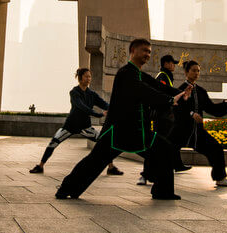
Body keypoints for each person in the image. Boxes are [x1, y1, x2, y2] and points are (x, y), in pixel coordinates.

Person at [56, 38, 192, 201]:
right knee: (94, 161)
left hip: (137, 132)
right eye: (144, 51)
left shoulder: (139, 74)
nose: (147, 54)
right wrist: (170, 100)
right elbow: (144, 91)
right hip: (118, 131)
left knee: (165, 149)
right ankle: (65, 189)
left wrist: (181, 93)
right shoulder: (126, 73)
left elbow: (158, 87)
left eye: (149, 51)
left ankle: (162, 191)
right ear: (133, 51)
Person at [29, 67, 116, 174]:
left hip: (85, 127)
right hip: (70, 126)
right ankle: (40, 166)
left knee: (103, 143)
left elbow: (104, 104)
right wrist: (99, 114)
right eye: (86, 76)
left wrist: (112, 109)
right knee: (53, 143)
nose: (89, 79)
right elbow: (82, 107)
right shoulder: (74, 92)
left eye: (90, 77)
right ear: (80, 78)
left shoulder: (91, 94)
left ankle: (111, 168)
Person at [172, 60, 227, 187]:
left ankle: (220, 177)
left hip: (198, 132)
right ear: (186, 72)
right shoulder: (180, 90)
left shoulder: (201, 91)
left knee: (216, 148)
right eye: (193, 70)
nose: (196, 73)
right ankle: (146, 175)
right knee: (164, 150)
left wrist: (224, 104)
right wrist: (191, 114)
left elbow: (210, 107)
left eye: (198, 71)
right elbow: (176, 108)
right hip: (182, 130)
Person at [138, 54, 189, 185]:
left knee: (163, 145)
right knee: (156, 145)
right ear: (166, 64)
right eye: (172, 63)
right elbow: (161, 93)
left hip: (166, 116)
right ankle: (144, 175)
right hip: (161, 117)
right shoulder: (162, 76)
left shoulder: (167, 76)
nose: (173, 66)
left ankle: (156, 173)